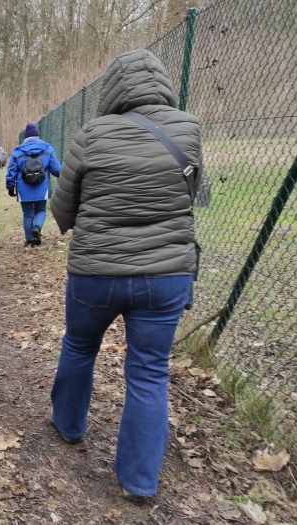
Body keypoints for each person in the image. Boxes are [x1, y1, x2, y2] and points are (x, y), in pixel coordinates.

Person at [48, 49, 202, 502]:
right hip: (167, 273)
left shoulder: (91, 133)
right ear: (164, 84)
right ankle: (139, 481)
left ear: (111, 88)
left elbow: (62, 209)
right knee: (151, 372)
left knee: (79, 345)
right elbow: (192, 194)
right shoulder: (189, 128)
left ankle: (69, 425)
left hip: (97, 271)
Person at [5, 124, 62, 249]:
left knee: (28, 214)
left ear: (25, 138)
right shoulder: (47, 149)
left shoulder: (17, 152)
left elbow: (11, 172)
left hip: (24, 189)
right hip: (42, 188)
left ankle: (30, 240)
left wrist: (10, 187)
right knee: (41, 210)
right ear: (38, 136)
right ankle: (37, 227)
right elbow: (56, 169)